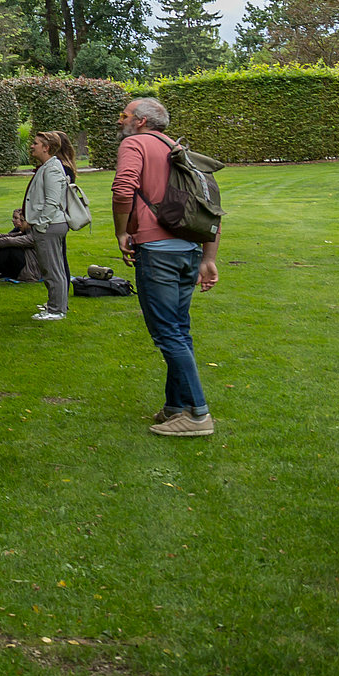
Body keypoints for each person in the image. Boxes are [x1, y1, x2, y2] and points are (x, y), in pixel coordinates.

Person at [113, 97, 221, 439]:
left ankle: (199, 415)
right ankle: (176, 407)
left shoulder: (135, 143)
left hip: (157, 251)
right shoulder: (181, 150)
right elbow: (212, 206)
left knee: (167, 333)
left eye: (125, 115)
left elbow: (122, 188)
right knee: (179, 330)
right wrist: (208, 258)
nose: (121, 121)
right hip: (188, 250)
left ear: (141, 121)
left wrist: (121, 231)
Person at [23, 130, 78, 321]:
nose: (32, 146)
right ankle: (56, 306)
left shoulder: (53, 168)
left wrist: (41, 225)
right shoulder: (48, 166)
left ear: (46, 148)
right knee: (53, 269)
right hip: (50, 225)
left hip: (50, 226)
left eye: (36, 143)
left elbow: (52, 201)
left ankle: (56, 310)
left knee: (53, 270)